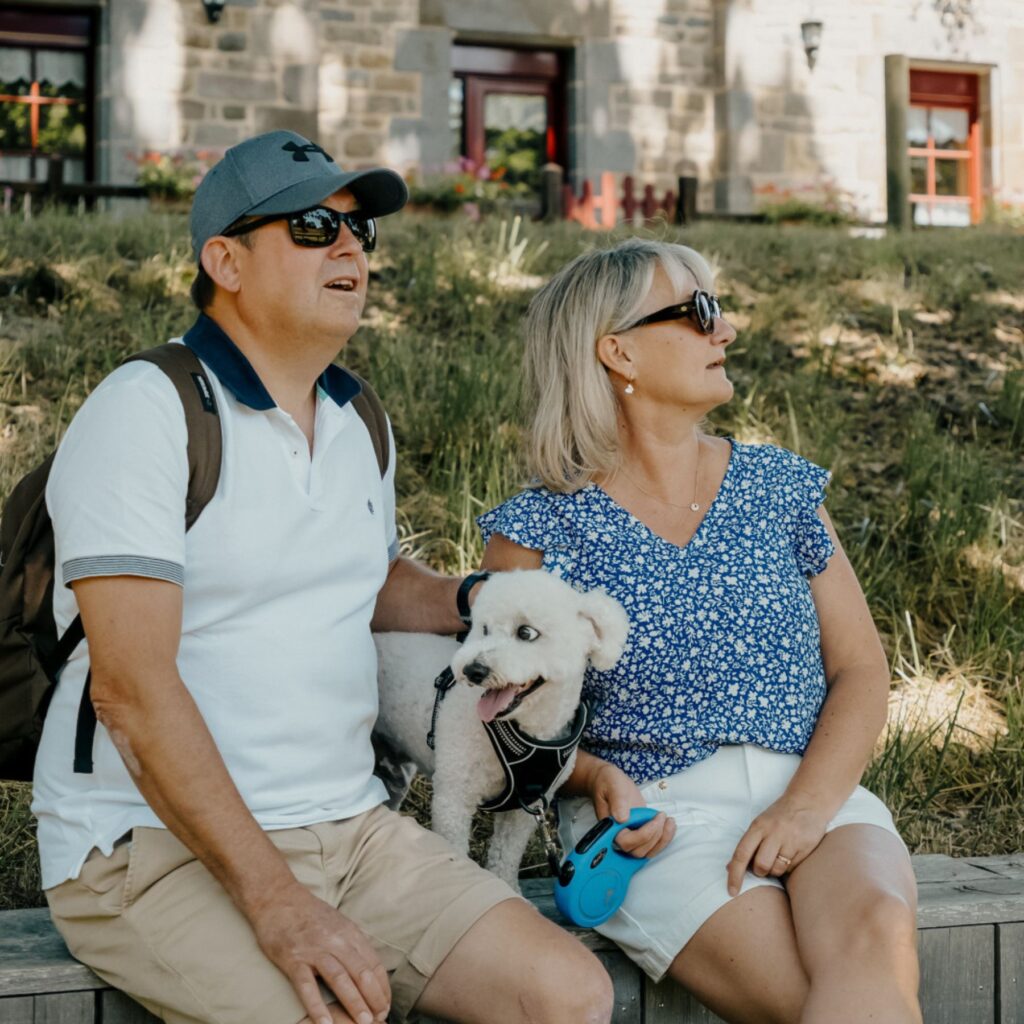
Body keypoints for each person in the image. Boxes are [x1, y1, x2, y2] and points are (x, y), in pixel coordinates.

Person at [33, 131, 614, 1024]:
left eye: (359, 232)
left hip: (351, 830)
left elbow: (365, 580)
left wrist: (479, 603)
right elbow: (131, 691)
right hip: (149, 848)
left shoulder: (356, 415)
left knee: (567, 994)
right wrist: (276, 902)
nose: (350, 248)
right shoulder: (145, 412)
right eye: (312, 226)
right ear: (223, 259)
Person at [478, 238, 923, 1024]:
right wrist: (588, 779)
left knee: (876, 934)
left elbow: (860, 668)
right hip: (656, 819)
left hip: (814, 791)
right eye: (700, 312)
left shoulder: (778, 487)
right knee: (817, 1000)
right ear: (618, 352)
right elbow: (502, 713)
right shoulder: (539, 530)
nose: (726, 332)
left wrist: (806, 809)